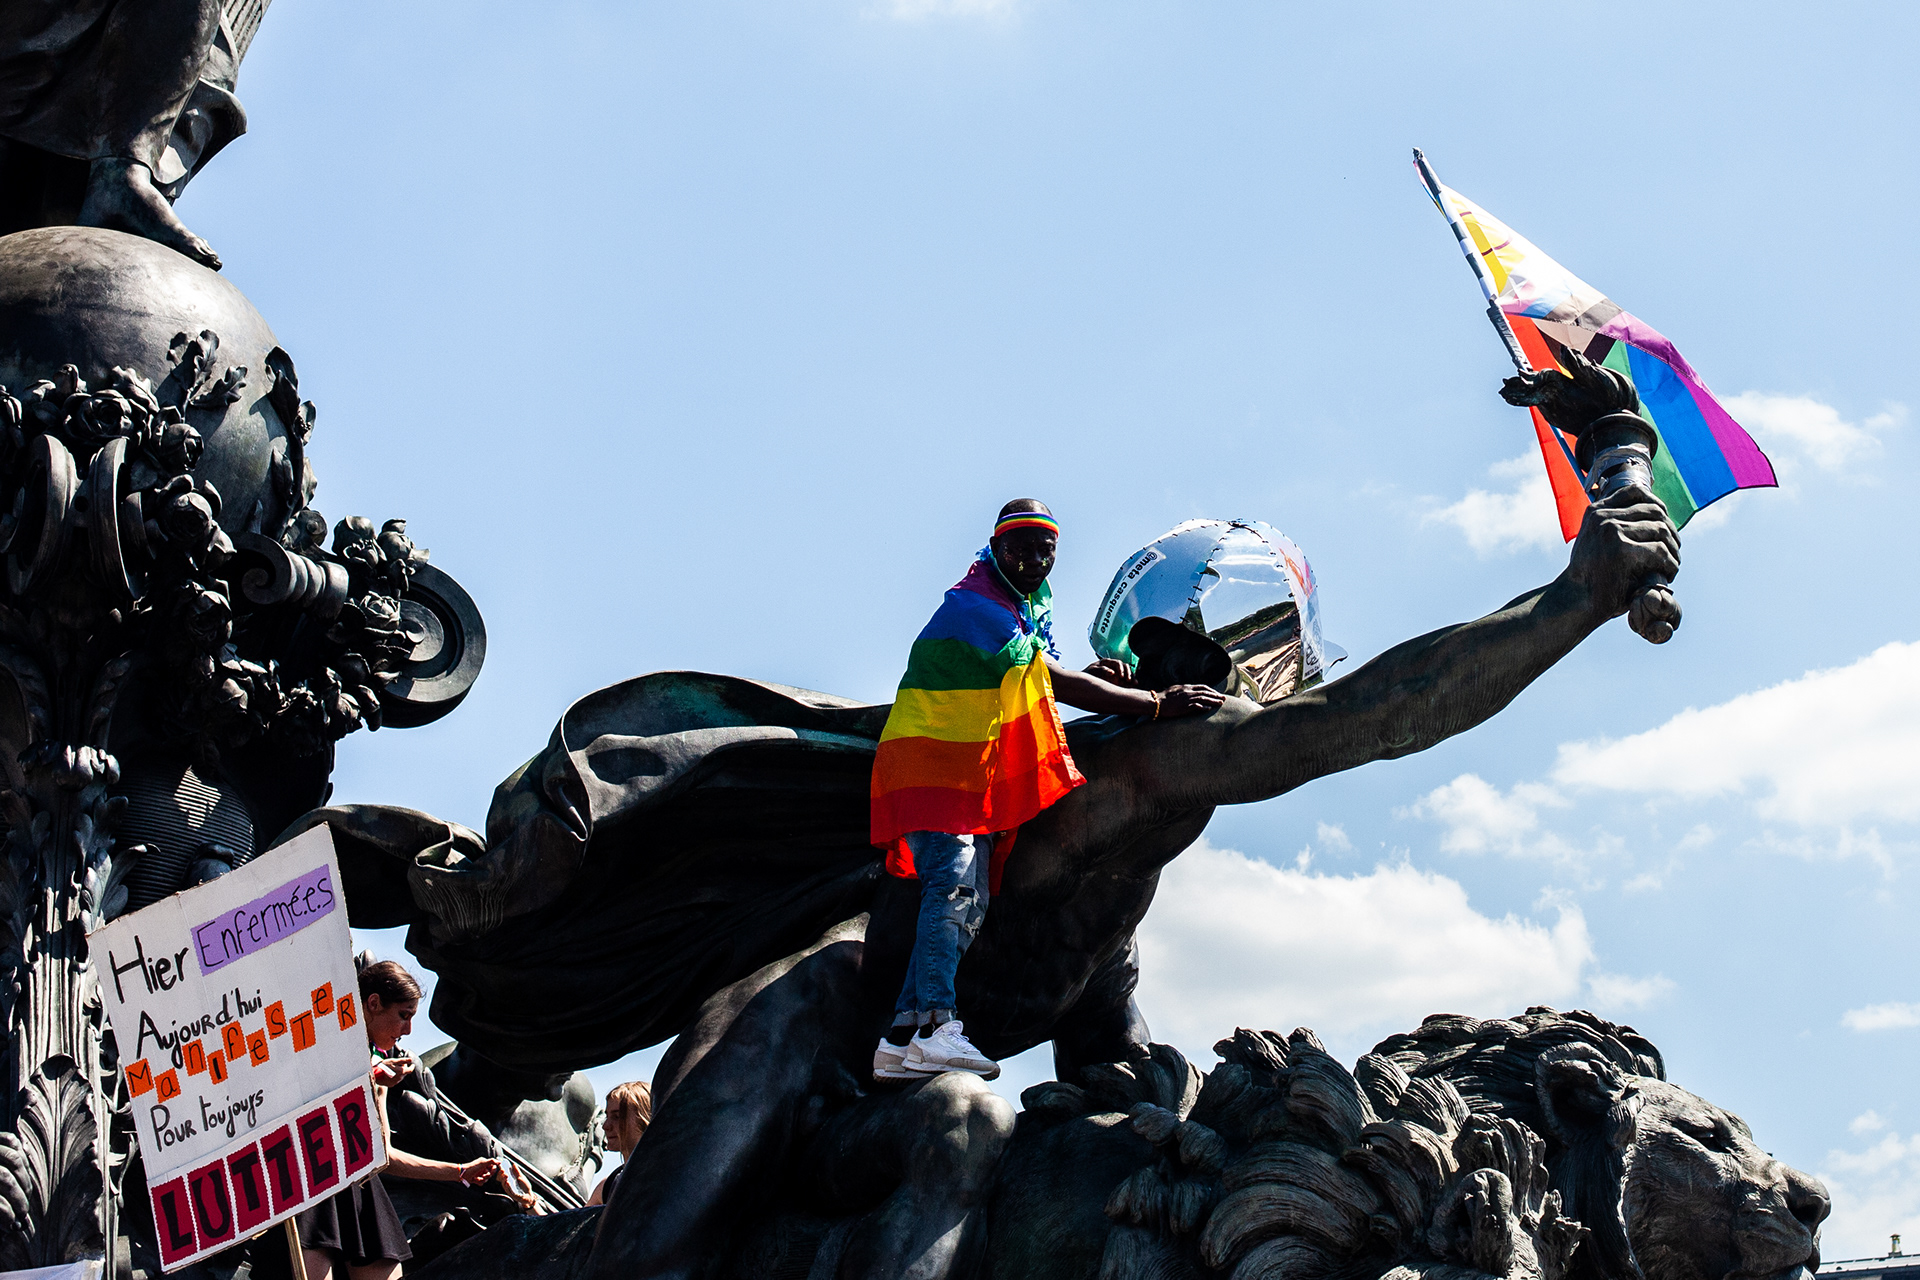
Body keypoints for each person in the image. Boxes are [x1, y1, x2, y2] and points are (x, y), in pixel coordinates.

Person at [868, 499, 1223, 1083]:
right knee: (956, 885)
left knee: (972, 895)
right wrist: (1157, 703)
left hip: (964, 771)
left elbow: (1037, 673)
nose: (1034, 561)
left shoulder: (1022, 606)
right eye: (1020, 550)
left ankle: (903, 1037)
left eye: (1045, 551)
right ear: (995, 549)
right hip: (931, 770)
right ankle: (934, 1027)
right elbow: (1049, 679)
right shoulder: (974, 604)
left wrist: (1098, 676)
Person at [265, 960, 511, 1280]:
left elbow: (381, 1156)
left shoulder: (380, 1067)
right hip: (314, 1178)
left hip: (359, 1188)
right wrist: (370, 1074)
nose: (407, 1030)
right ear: (374, 1003)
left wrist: (460, 1172)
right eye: (403, 1015)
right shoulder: (320, 1036)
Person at [586, 1081, 653, 1207]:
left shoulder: (667, 1174)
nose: (606, 1126)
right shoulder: (608, 1186)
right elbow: (568, 1225)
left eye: (617, 1117)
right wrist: (535, 1201)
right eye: (607, 1116)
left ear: (643, 1119)